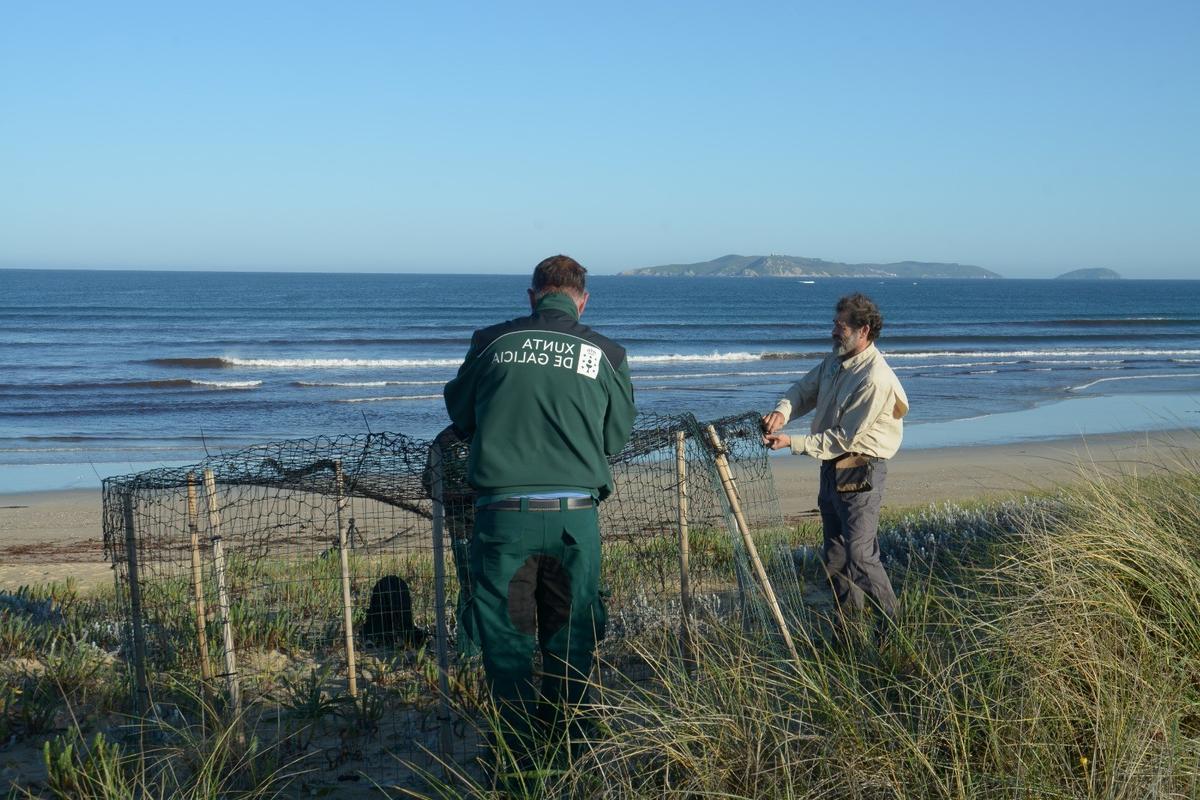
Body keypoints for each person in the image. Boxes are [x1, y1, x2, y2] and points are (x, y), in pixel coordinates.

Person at [443, 255, 636, 772]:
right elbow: (616, 437)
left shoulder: (491, 343)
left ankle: (518, 754)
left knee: (506, 639)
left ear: (531, 294)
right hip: (576, 518)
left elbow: (459, 413)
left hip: (503, 517)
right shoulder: (607, 354)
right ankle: (571, 744)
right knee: (571, 632)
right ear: (582, 298)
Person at [761, 293, 909, 630]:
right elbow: (804, 389)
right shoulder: (835, 360)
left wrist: (791, 443)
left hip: (861, 467)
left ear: (864, 330)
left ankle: (896, 628)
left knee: (860, 555)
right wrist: (783, 412)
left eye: (840, 326)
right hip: (831, 466)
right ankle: (849, 634)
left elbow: (844, 437)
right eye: (834, 323)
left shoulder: (874, 378)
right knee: (836, 556)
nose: (833, 331)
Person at [422, 424, 481, 658]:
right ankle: (472, 648)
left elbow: (429, 482)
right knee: (478, 586)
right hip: (482, 524)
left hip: (464, 526)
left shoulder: (443, 438)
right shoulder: (488, 429)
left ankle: (471, 649)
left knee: (469, 586)